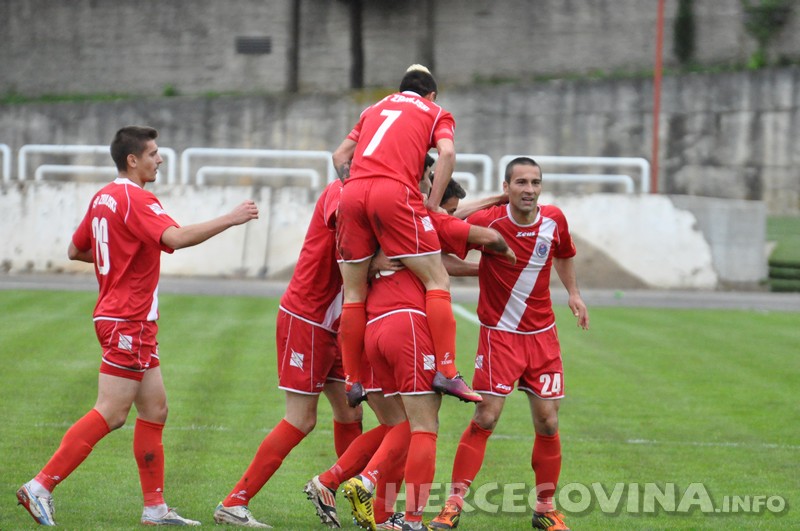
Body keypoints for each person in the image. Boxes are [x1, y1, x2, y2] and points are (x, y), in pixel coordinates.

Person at [16, 125, 259, 527]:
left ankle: (155, 509)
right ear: (133, 160)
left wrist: (119, 261)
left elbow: (77, 249)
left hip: (128, 318)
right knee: (111, 413)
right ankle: (39, 486)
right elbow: (176, 238)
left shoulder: (103, 197)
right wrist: (231, 219)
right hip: (127, 318)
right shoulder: (135, 197)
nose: (159, 159)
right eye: (153, 153)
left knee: (156, 408)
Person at [306, 178, 515, 531]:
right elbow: (486, 237)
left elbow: (448, 221)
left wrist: (491, 200)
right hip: (407, 326)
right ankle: (386, 497)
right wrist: (506, 255)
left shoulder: (374, 220)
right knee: (424, 428)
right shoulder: (421, 219)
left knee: (396, 425)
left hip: (371, 327)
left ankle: (331, 481)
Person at [430, 157, 589, 531]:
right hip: (499, 337)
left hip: (542, 338)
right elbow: (439, 221)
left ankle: (545, 508)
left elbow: (564, 254)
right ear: (507, 187)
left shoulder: (554, 220)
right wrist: (489, 204)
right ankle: (452, 504)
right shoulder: (489, 221)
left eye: (535, 182)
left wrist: (574, 294)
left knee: (548, 422)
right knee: (486, 416)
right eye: (520, 182)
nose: (529, 189)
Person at [213, 178, 365, 528]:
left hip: (333, 322)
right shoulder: (342, 188)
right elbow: (345, 219)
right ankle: (234, 502)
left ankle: (350, 498)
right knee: (301, 418)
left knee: (350, 414)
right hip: (308, 318)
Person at [333, 64, 480, 406]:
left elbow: (341, 155)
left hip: (352, 192)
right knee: (437, 279)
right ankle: (446, 369)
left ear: (400, 91)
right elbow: (447, 153)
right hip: (394, 192)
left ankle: (352, 381)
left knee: (354, 291)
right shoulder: (436, 111)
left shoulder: (373, 108)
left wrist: (355, 188)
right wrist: (430, 202)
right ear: (431, 95)